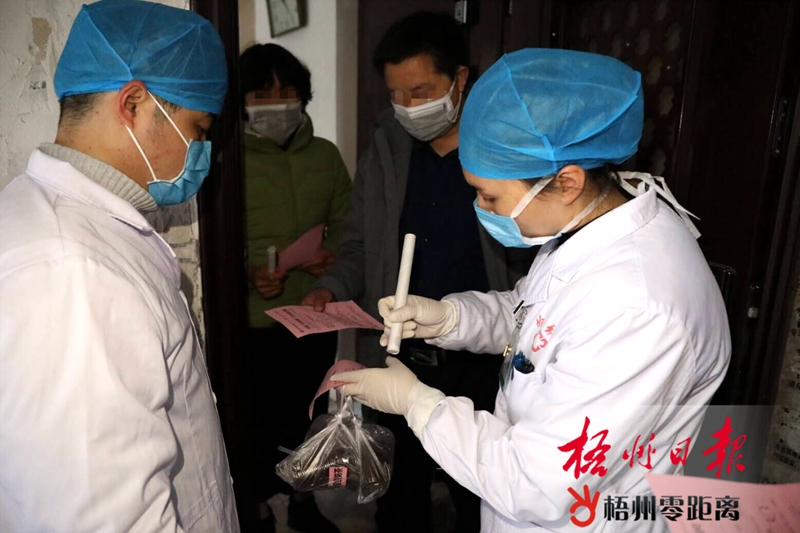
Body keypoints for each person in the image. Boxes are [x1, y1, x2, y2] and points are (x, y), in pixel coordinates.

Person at [332, 48, 731, 532]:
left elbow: (536, 484)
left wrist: (418, 404)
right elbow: (534, 318)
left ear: (566, 182)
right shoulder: (584, 226)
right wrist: (451, 318)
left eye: (490, 195)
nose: (480, 207)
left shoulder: (637, 310)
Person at [0, 1, 238, 531]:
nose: (203, 151)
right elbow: (106, 519)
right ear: (132, 103)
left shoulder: (77, 229)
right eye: (198, 129)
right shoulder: (70, 272)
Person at [302, 11, 533, 533]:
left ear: (460, 78)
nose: (408, 107)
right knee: (398, 495)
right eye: (396, 94)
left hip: (482, 359)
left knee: (481, 492)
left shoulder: (502, 151)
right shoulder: (386, 149)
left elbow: (526, 267)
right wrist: (330, 288)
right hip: (398, 353)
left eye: (422, 91)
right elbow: (359, 245)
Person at [239, 43, 350, 533]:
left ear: (303, 96)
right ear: (241, 101)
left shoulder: (325, 155)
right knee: (255, 419)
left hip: (314, 312)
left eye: (286, 92)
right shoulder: (227, 160)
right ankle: (257, 505)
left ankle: (304, 501)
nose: (276, 104)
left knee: (307, 413)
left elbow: (348, 223)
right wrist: (248, 272)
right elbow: (209, 240)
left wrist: (333, 254)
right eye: (261, 94)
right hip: (252, 319)